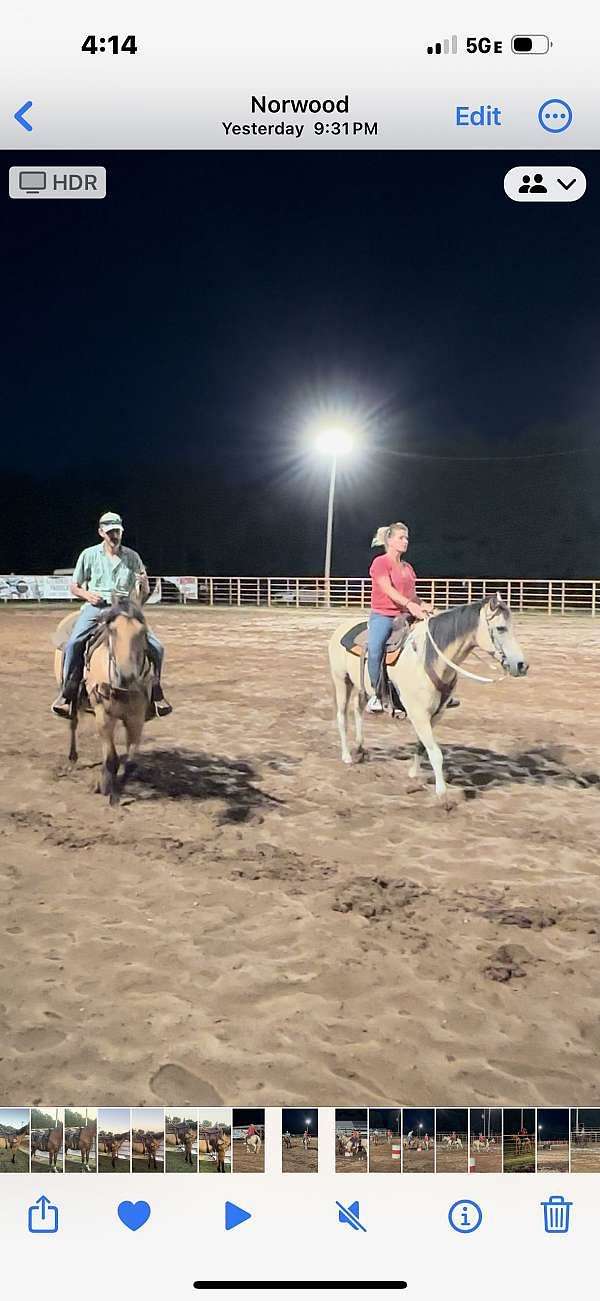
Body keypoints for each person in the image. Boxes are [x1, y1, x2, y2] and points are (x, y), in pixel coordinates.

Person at [51, 510, 172, 719]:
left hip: (125, 608)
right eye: (110, 532)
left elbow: (142, 594)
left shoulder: (133, 557)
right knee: (73, 643)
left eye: (117, 531)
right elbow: (74, 586)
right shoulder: (88, 555)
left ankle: (155, 692)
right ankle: (68, 693)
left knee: (157, 647)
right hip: (97, 606)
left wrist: (144, 586)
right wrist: (88, 595)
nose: (114, 536)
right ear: (101, 532)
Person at [366, 521, 431, 712]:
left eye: (407, 538)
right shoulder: (380, 563)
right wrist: (410, 605)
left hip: (406, 615)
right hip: (384, 615)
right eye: (401, 537)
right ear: (390, 540)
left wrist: (423, 605)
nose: (405, 541)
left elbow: (412, 594)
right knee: (376, 648)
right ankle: (376, 695)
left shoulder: (407, 568)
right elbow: (387, 589)